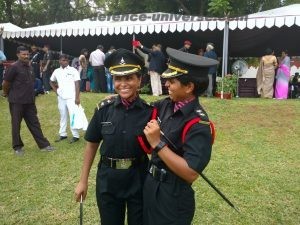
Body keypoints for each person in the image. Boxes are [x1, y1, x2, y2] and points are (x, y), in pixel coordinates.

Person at [75, 48, 154, 225]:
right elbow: (91, 145)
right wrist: (83, 181)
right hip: (108, 179)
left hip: (138, 177)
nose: (123, 84)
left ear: (139, 80)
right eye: (118, 79)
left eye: (129, 78)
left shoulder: (150, 112)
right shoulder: (103, 110)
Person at [142, 47, 218, 225]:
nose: (166, 84)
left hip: (173, 196)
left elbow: (191, 173)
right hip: (150, 186)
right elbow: (142, 109)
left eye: (172, 81)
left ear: (189, 87)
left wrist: (158, 143)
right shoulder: (167, 105)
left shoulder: (199, 124)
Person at [2, 46, 55, 156]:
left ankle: (44, 145)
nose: (26, 56)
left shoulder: (29, 66)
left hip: (30, 101)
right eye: (23, 54)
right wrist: (7, 94)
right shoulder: (13, 67)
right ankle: (17, 147)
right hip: (17, 101)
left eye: (27, 54)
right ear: (18, 55)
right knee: (16, 124)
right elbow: (6, 84)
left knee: (35, 123)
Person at [50, 54, 81, 144]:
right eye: (62, 60)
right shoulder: (56, 71)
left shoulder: (73, 70)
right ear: (59, 61)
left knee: (72, 116)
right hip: (61, 97)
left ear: (68, 61)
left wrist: (77, 97)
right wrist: (56, 91)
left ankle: (76, 135)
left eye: (65, 60)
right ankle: (63, 134)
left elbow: (77, 84)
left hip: (71, 97)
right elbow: (51, 81)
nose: (64, 62)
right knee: (63, 116)